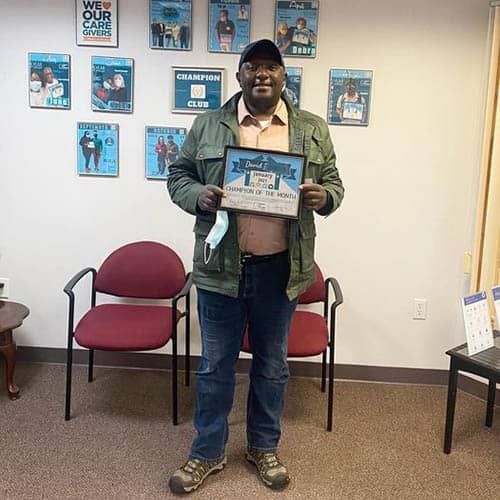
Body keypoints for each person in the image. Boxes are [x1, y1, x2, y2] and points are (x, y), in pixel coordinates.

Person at [167, 39, 344, 494]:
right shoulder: (208, 124)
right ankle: (207, 453)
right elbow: (178, 176)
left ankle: (263, 447)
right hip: (220, 270)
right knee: (214, 367)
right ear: (240, 75)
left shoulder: (311, 129)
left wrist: (324, 198)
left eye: (271, 67)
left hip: (281, 270)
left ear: (284, 77)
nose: (262, 74)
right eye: (252, 67)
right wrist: (198, 196)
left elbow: (334, 185)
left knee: (272, 367)